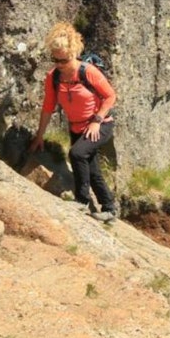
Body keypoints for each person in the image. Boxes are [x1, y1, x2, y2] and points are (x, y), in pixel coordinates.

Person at [27, 22, 119, 222]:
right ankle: (110, 208)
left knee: (77, 153)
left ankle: (82, 201)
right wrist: (40, 136)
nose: (60, 64)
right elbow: (47, 108)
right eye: (55, 59)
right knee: (91, 168)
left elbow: (110, 96)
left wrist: (96, 121)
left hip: (100, 125)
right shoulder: (53, 78)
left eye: (64, 60)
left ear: (74, 54)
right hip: (77, 127)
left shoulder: (88, 72)